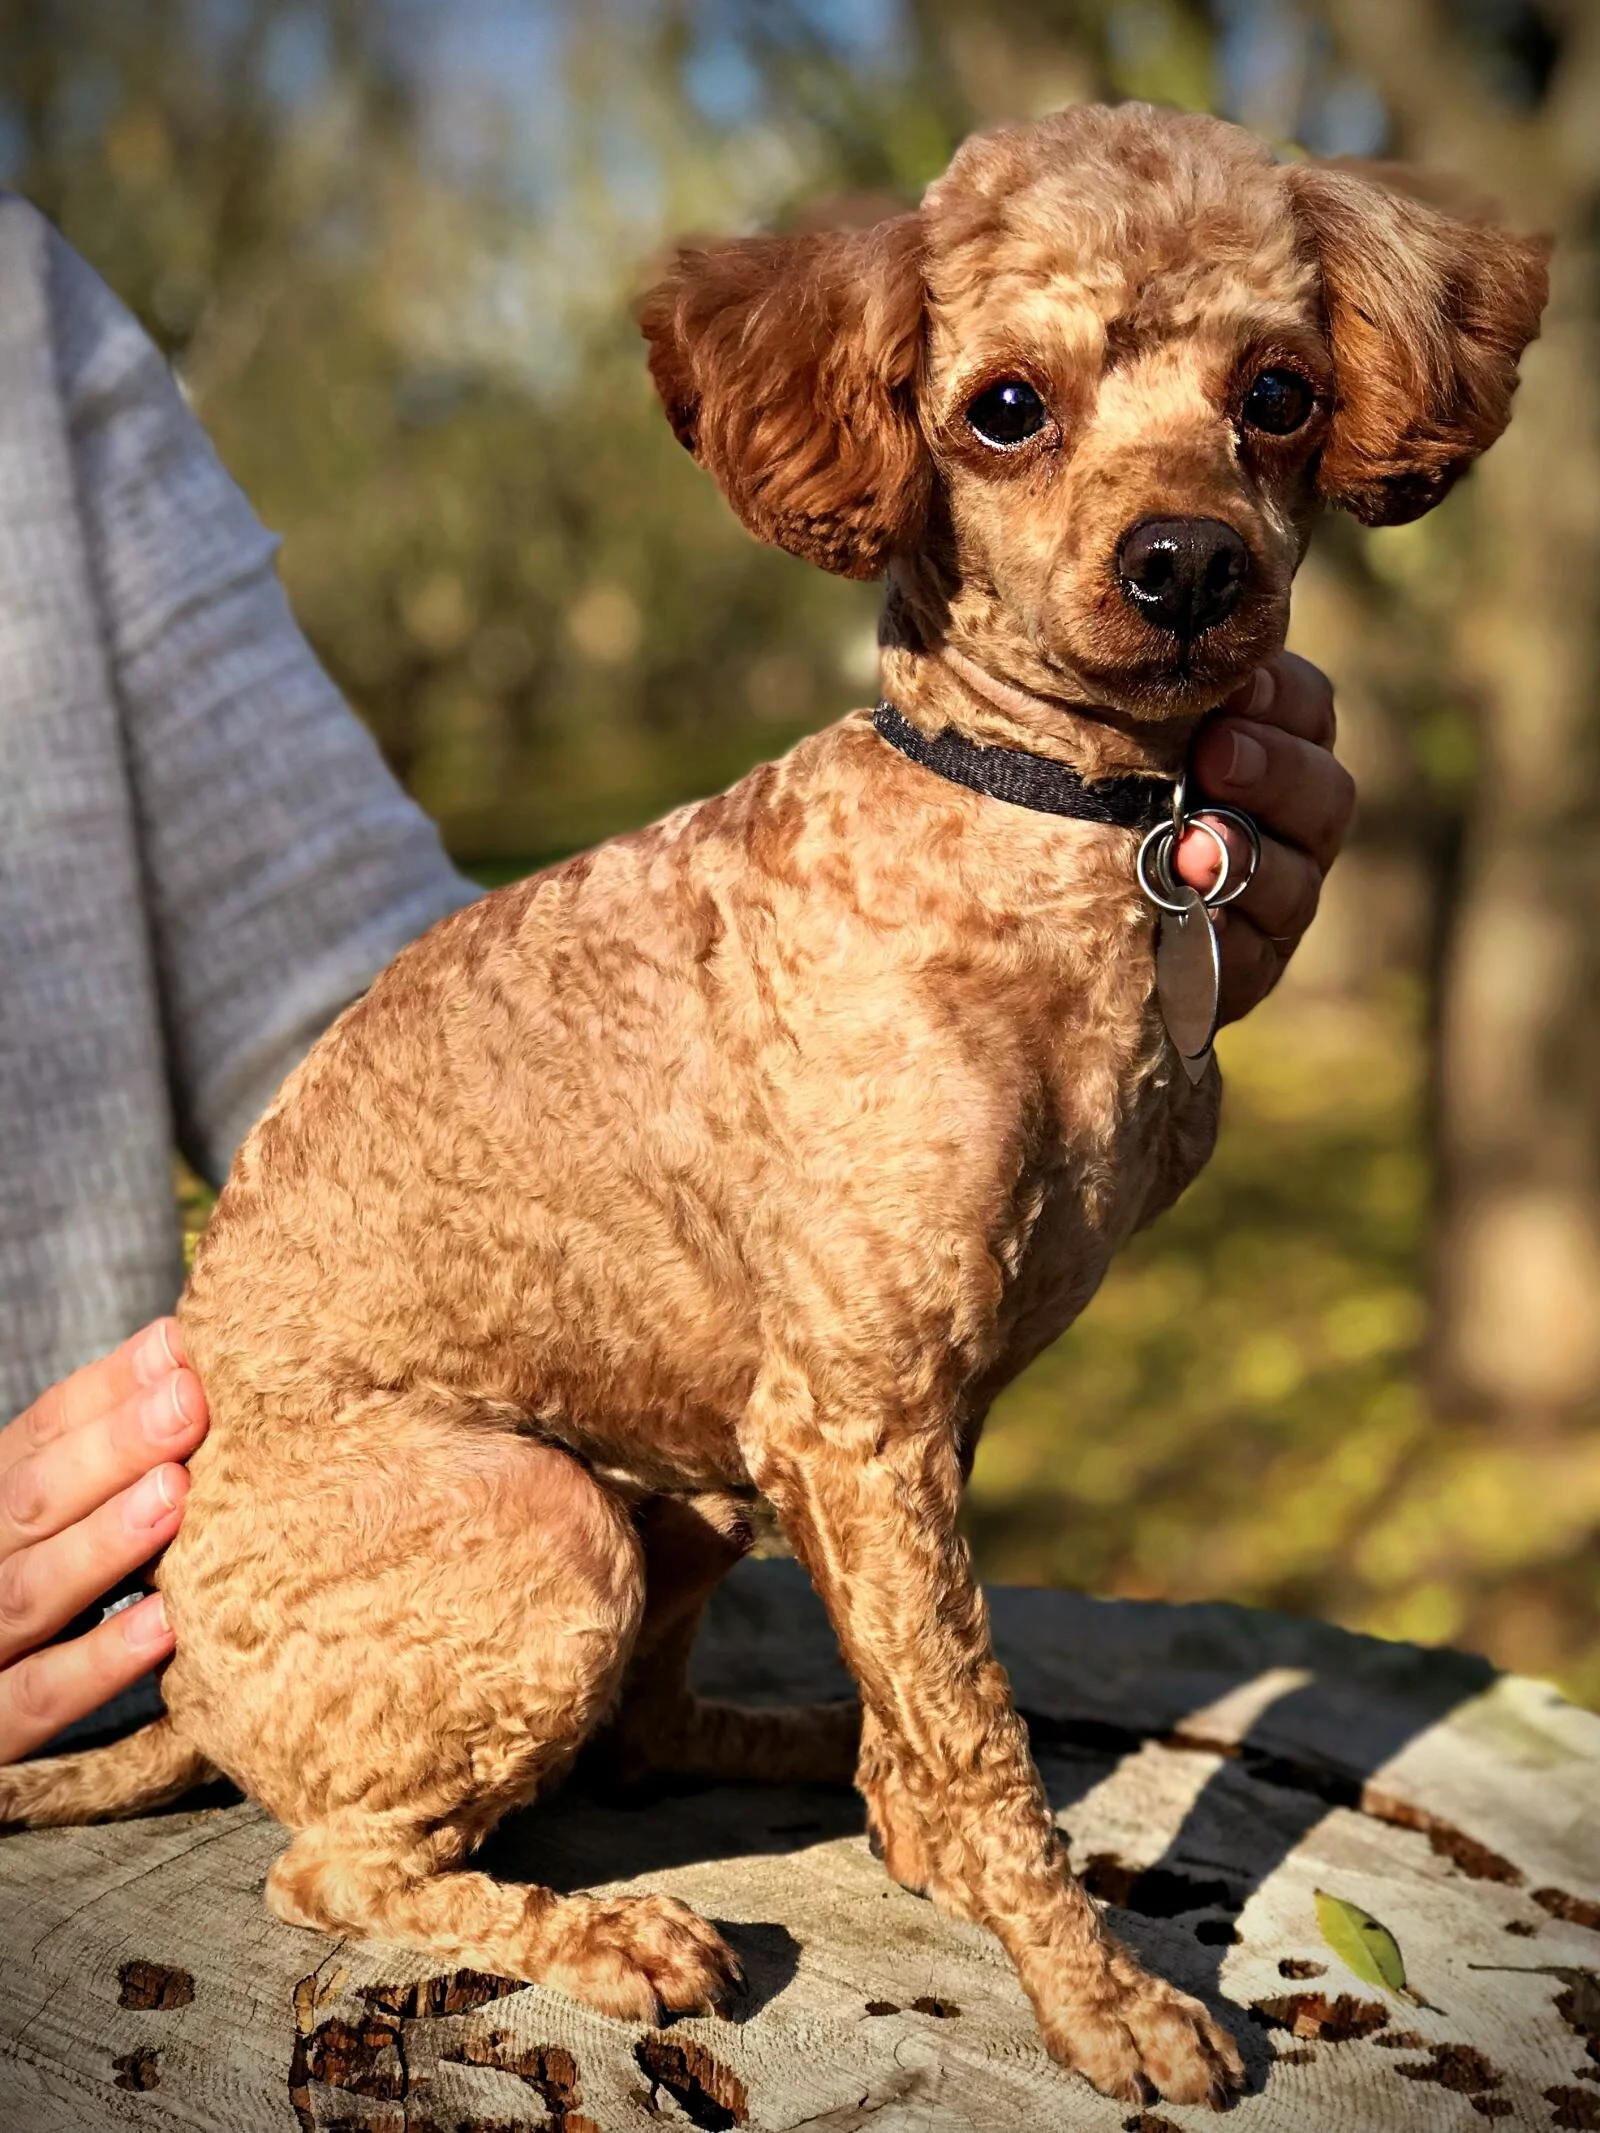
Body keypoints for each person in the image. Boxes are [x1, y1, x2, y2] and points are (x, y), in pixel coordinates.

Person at [0, 203, 1355, 1768]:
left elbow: (358, 1006)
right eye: (1008, 412)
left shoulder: (36, 326)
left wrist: (1005, 1011)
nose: (1184, 519)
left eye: (1268, 404)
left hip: (248, 1624)